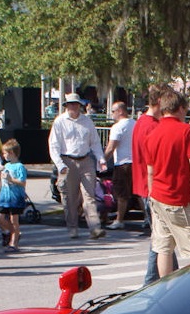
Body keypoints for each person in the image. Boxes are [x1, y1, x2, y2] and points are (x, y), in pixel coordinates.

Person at [144, 88, 190, 277]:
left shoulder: (152, 135)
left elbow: (150, 171)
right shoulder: (186, 131)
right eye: (185, 109)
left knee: (164, 247)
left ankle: (168, 290)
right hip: (180, 199)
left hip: (158, 197)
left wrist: (151, 196)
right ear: (179, 108)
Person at [48, 93, 107, 240]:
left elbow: (95, 142)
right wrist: (60, 164)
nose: (73, 107)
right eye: (71, 104)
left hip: (86, 160)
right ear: (66, 106)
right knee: (70, 198)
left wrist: (101, 158)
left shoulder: (87, 122)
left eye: (76, 104)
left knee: (90, 195)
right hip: (68, 160)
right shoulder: (60, 121)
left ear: (80, 106)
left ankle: (95, 228)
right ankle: (72, 227)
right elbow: (54, 145)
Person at [132, 84, 169, 284]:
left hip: (145, 186)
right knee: (161, 239)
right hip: (152, 187)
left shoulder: (141, 123)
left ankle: (167, 277)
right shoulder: (151, 126)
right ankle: (151, 281)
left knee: (162, 238)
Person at [104, 101, 135, 229]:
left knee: (121, 193)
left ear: (120, 111)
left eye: (113, 111)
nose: (112, 114)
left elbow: (111, 147)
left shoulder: (117, 127)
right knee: (138, 192)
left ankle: (119, 220)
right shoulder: (135, 124)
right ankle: (147, 218)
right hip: (136, 162)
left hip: (122, 163)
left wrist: (103, 160)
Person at [0, 138, 27, 251]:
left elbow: (22, 182)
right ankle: (14, 232)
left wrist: (11, 179)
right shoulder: (6, 166)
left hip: (15, 198)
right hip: (5, 196)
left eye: (5, 153)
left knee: (14, 220)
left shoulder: (20, 166)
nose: (4, 156)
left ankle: (14, 243)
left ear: (12, 153)